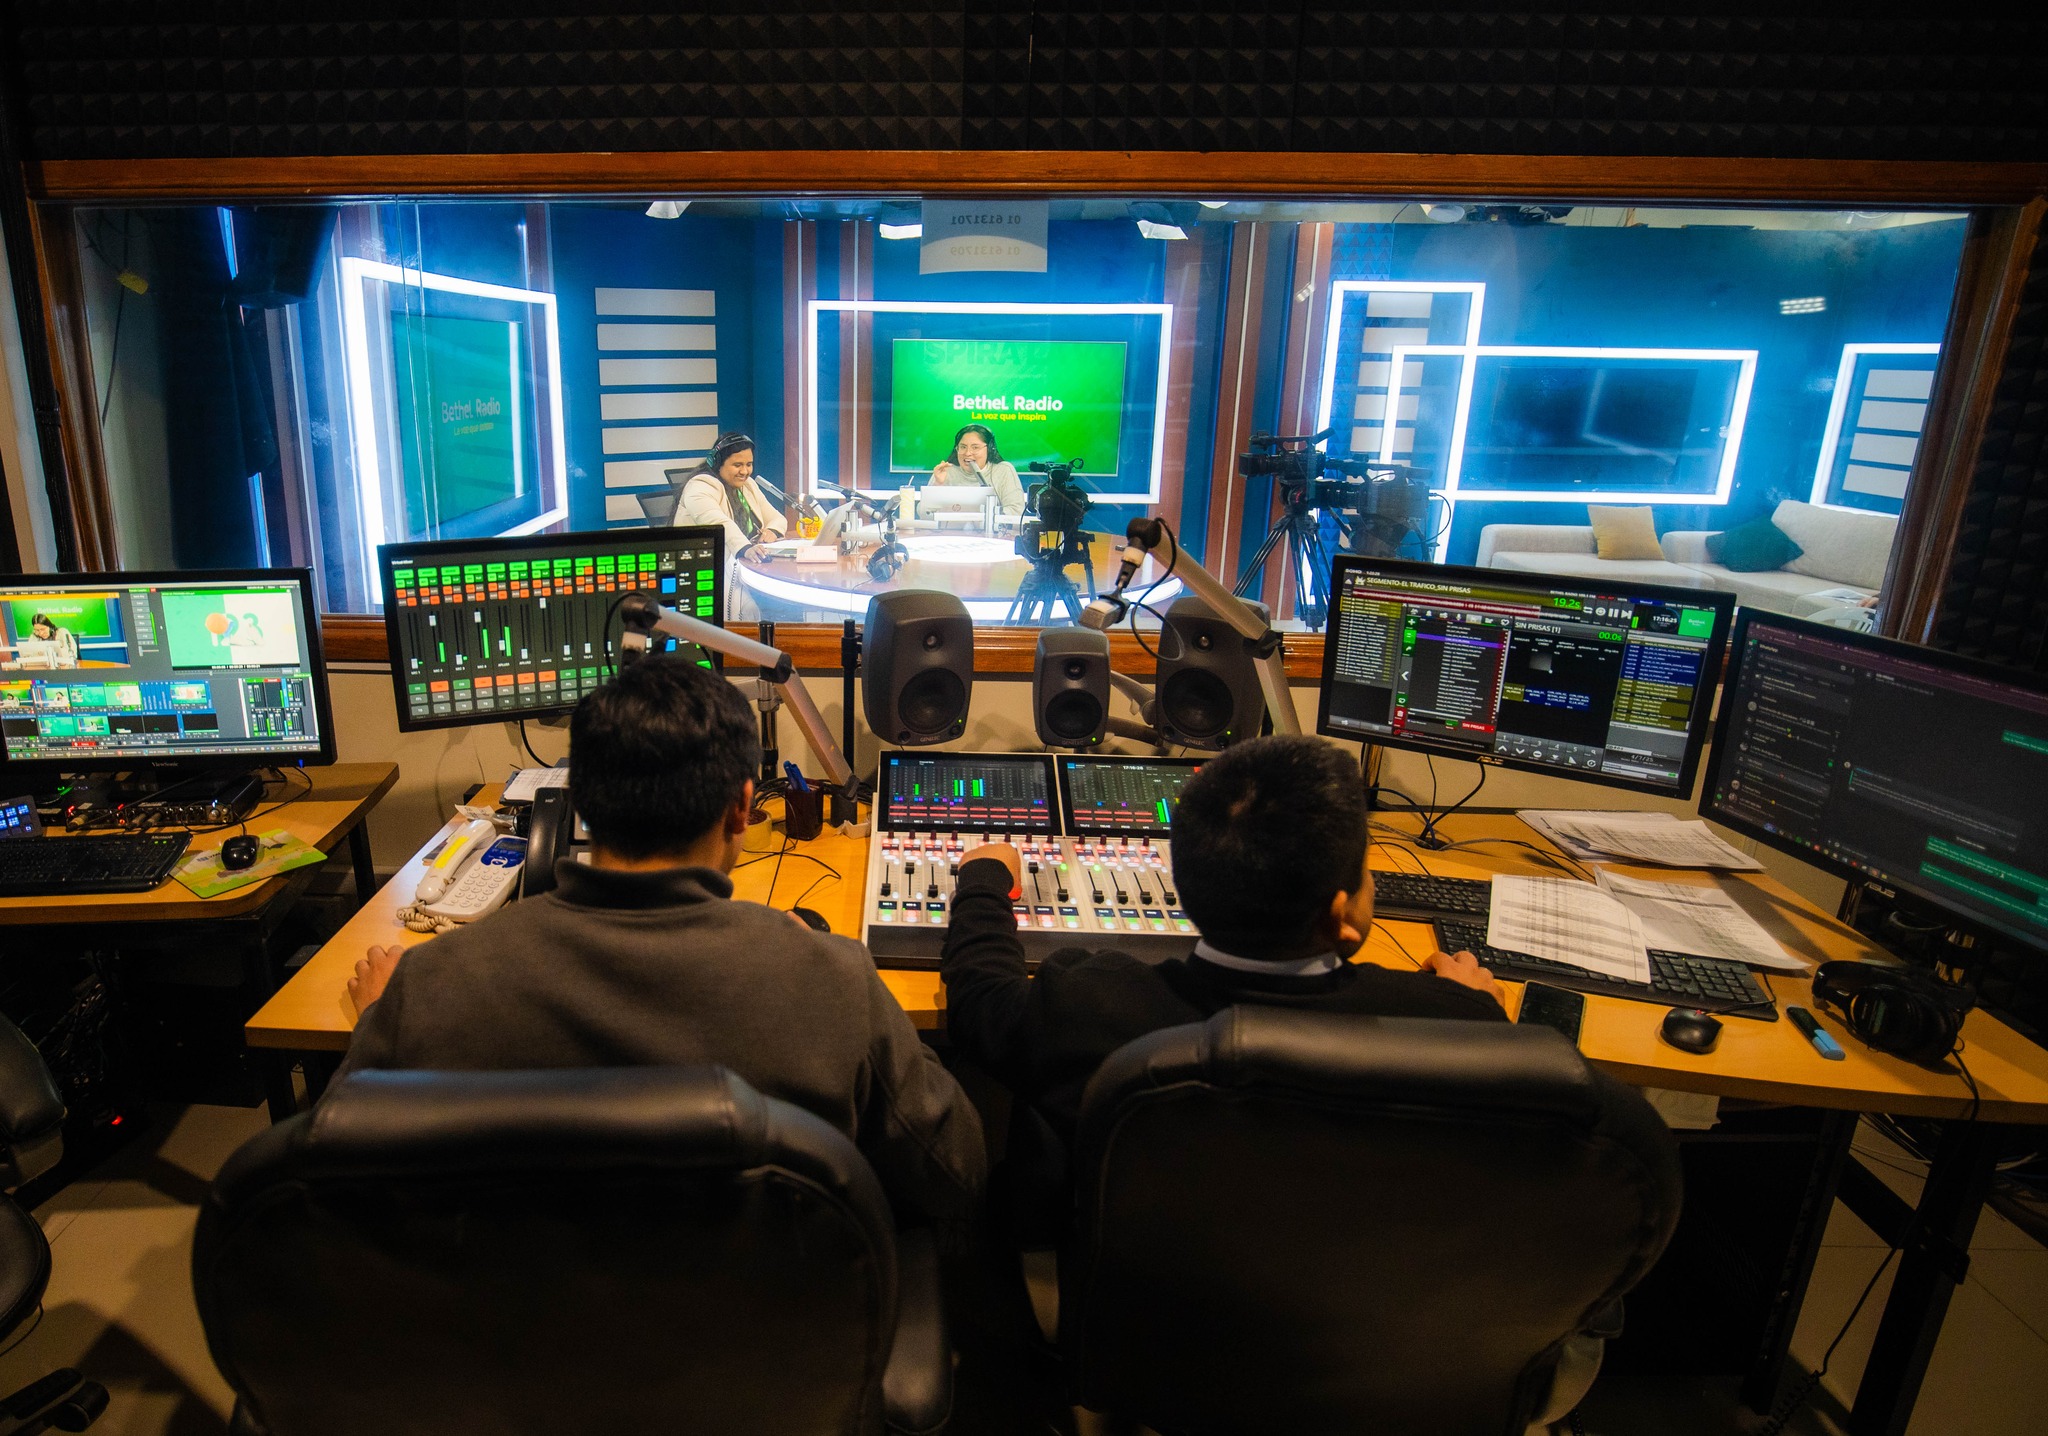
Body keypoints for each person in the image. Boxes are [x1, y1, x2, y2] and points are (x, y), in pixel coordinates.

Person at [339, 654, 984, 1230]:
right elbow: (955, 1173)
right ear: (742, 807)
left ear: (577, 803)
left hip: (526, 1322)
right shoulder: (830, 981)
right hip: (768, 1322)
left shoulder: (429, 987)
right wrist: (812, 961)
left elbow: (337, 1182)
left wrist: (381, 1019)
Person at [941, 735, 1507, 1196]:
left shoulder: (1085, 1009)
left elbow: (979, 997)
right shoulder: (1453, 1028)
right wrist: (1471, 1006)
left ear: (1185, 888)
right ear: (1343, 917)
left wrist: (984, 880)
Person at [676, 431, 786, 562]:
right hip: (702, 564)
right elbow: (719, 524)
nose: (744, 471)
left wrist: (772, 531)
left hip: (739, 564)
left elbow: (777, 518)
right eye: (737, 465)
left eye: (749, 464)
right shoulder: (699, 486)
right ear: (717, 463)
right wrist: (745, 548)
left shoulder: (748, 485)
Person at [928, 423, 1026, 516]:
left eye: (975, 447)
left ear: (989, 449)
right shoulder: (946, 471)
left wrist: (984, 516)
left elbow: (1016, 511)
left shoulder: (1003, 470)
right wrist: (938, 484)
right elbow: (925, 513)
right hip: (952, 529)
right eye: (963, 447)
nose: (967, 453)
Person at [5, 613, 79, 670]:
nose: (40, 633)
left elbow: (72, 654)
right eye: (37, 630)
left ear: (50, 626)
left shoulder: (62, 632)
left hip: (62, 669)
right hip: (42, 669)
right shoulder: (34, 636)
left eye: (43, 629)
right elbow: (28, 656)